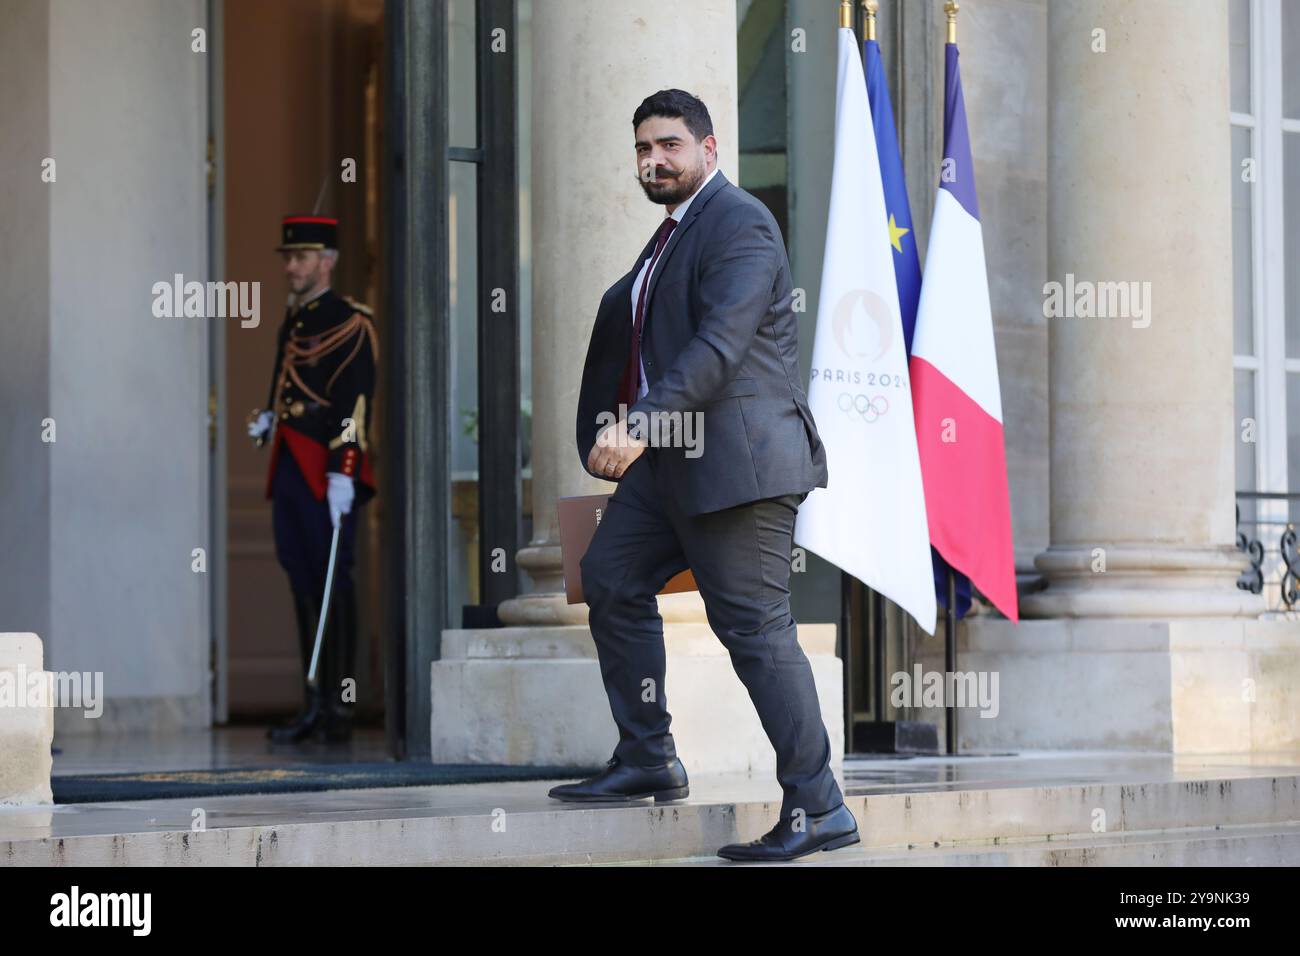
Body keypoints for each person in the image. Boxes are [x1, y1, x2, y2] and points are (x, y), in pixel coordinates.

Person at [551, 90, 860, 862]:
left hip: (739, 467)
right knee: (611, 576)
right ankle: (648, 757)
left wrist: (642, 423)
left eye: (669, 146)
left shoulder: (740, 223)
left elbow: (717, 349)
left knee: (755, 633)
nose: (653, 161)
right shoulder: (667, 239)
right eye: (642, 149)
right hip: (671, 467)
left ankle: (819, 807)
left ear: (709, 149)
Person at [248, 214, 378, 744]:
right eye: (287, 257)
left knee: (332, 582)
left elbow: (355, 402)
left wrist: (344, 469)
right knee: (302, 578)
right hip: (289, 460)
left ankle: (339, 707)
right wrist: (269, 417)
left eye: (300, 257)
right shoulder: (296, 319)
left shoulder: (351, 321)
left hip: (325, 467)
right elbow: (288, 384)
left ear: (327, 262)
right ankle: (315, 701)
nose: (290, 267)